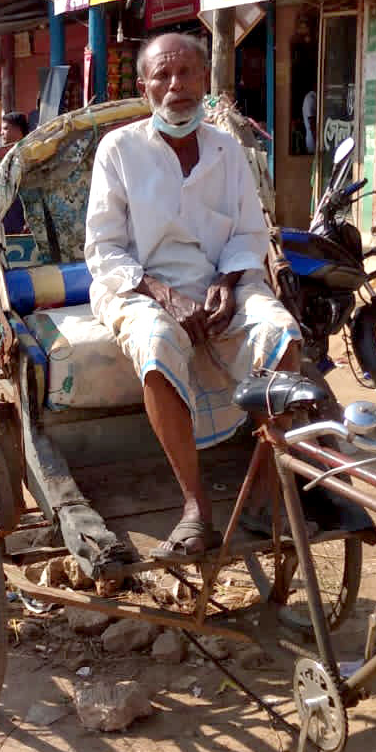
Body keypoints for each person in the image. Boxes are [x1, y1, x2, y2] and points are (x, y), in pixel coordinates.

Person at [83, 32, 305, 559]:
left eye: (186, 74)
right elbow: (104, 248)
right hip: (136, 284)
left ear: (204, 82)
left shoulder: (228, 149)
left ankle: (266, 492)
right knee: (157, 344)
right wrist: (164, 295)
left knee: (282, 333)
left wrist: (227, 284)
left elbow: (249, 233)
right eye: (162, 75)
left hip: (217, 281)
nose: (175, 86)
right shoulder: (119, 149)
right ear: (145, 88)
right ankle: (195, 508)